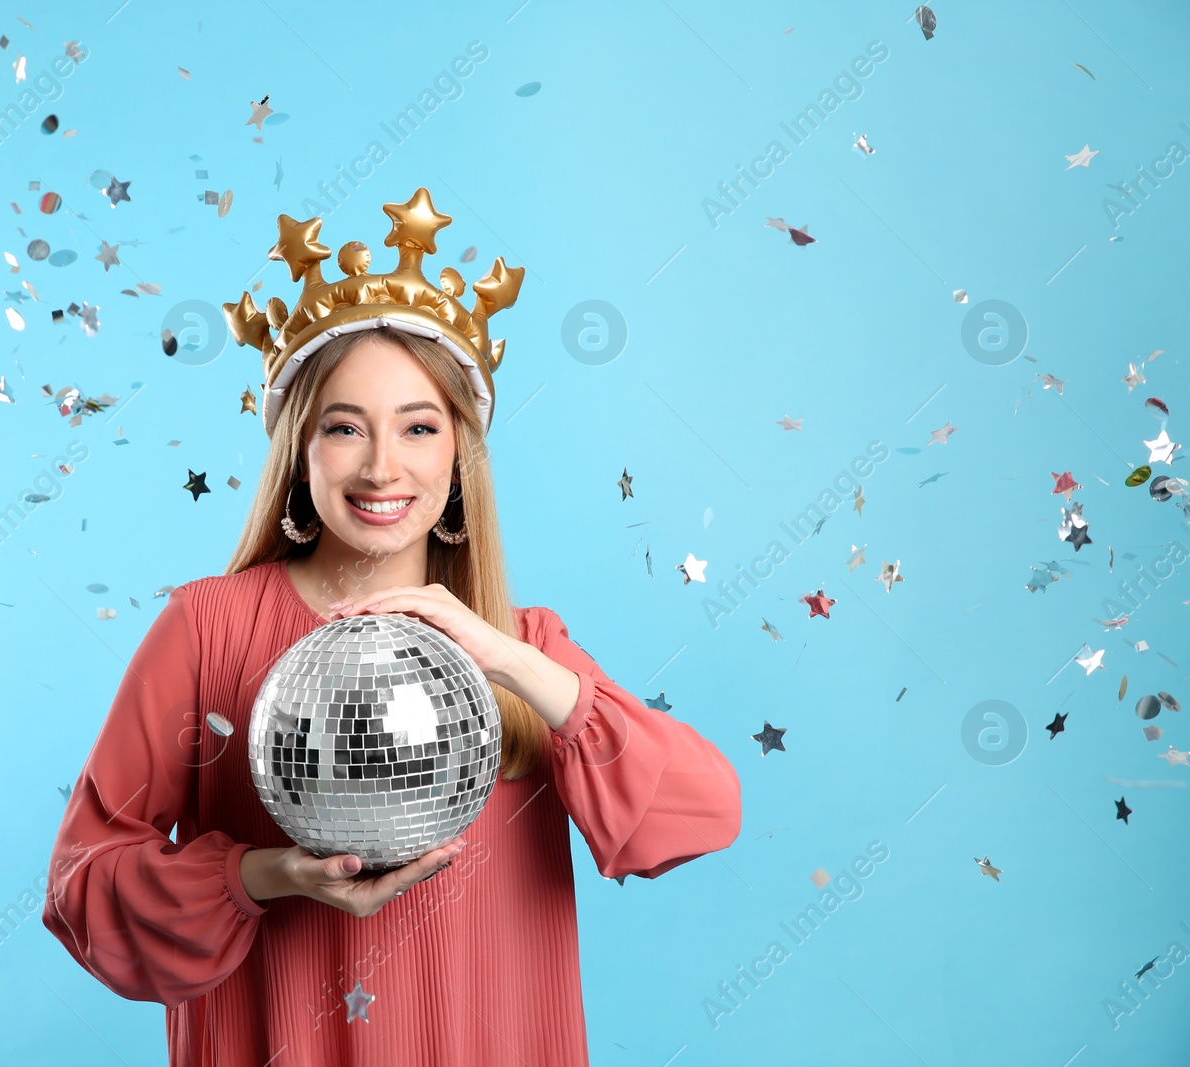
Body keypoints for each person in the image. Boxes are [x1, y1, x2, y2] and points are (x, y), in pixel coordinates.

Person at [42, 189, 742, 1066]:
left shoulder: (526, 647)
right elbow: (83, 887)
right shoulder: (205, 632)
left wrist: (507, 659)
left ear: (459, 458)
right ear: (301, 452)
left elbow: (705, 813)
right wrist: (261, 876)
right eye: (345, 428)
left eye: (419, 426)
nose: (382, 466)